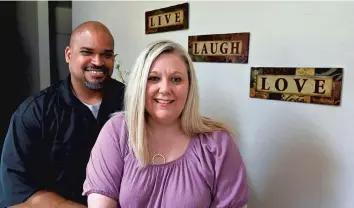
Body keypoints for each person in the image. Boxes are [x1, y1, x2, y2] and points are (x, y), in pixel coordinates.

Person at [82, 40, 249, 207]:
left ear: (190, 87)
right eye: (154, 78)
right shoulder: (116, 131)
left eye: (176, 79)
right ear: (140, 84)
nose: (165, 89)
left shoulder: (217, 143)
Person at [0, 21, 125, 207]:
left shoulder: (132, 103)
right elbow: (17, 193)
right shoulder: (35, 112)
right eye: (87, 52)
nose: (98, 62)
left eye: (106, 54)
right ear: (69, 54)